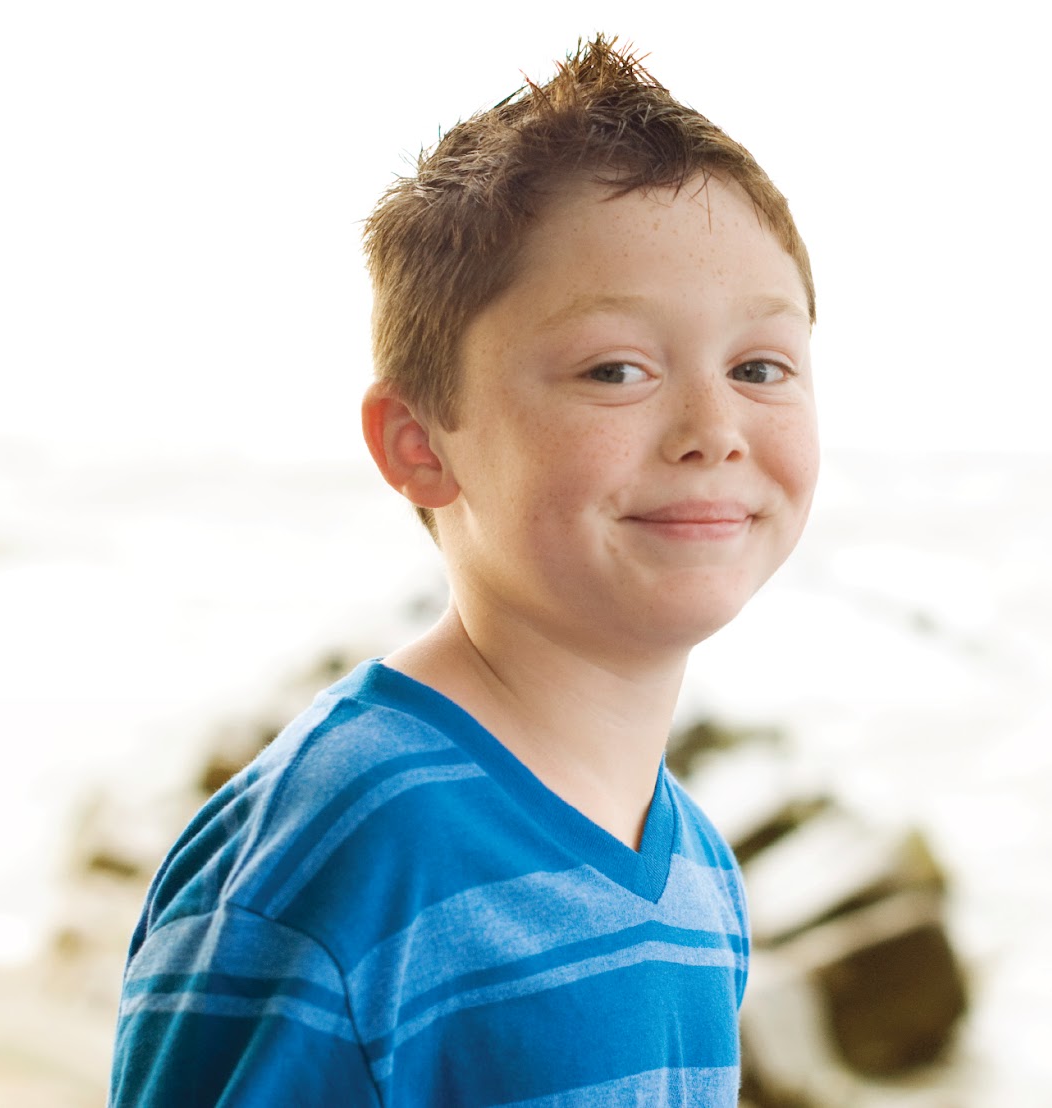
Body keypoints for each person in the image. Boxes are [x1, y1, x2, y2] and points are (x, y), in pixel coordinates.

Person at [108, 34, 818, 1106]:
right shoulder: (353, 852)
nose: (714, 429)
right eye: (615, 369)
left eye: (759, 366)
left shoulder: (697, 868)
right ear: (420, 444)